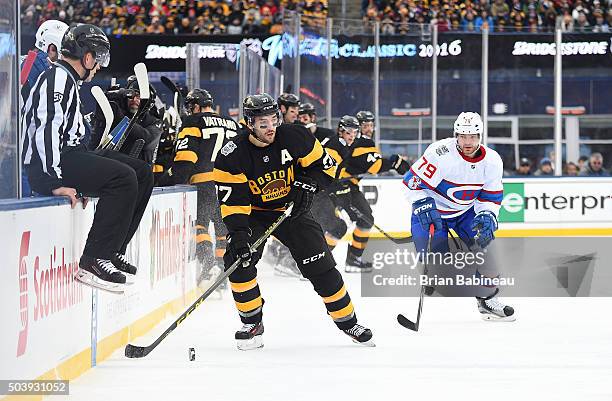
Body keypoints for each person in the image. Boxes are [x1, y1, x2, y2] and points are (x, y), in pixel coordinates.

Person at [213, 93, 373, 350]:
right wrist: (240, 235)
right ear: (249, 123)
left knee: (321, 267)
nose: (270, 128)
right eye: (262, 123)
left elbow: (328, 168)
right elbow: (233, 202)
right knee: (237, 260)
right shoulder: (231, 154)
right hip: (254, 213)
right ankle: (252, 323)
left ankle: (348, 322)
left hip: (291, 211)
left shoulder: (295, 136)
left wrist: (309, 184)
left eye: (273, 120)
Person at [21, 24, 154, 293]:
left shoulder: (67, 79)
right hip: (50, 166)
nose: (98, 68)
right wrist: (51, 182)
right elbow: (47, 131)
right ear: (87, 57)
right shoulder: (57, 78)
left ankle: (113, 250)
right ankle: (94, 258)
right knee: (123, 178)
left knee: (141, 173)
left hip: (67, 157)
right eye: (99, 59)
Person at [402, 112, 515, 321]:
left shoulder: (492, 161)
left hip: (465, 213)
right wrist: (421, 202)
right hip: (432, 213)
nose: (468, 142)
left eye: (472, 136)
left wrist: (488, 215)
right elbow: (411, 183)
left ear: (480, 136)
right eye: (463, 136)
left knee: (488, 254)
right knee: (439, 265)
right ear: (456, 135)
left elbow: (490, 197)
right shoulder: (440, 153)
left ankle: (487, 301)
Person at [157, 89, 237, 287]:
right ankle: (222, 268)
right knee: (222, 228)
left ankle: (208, 263)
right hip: (230, 184)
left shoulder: (193, 122)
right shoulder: (232, 124)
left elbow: (186, 159)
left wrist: (171, 181)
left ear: (195, 106)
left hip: (204, 182)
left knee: (199, 224)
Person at [333, 111, 408, 272]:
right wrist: (393, 163)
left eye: (371, 125)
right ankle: (318, 260)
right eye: (364, 125)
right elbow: (374, 167)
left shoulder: (358, 142)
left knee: (352, 221)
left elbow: (368, 164)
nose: (368, 129)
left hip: (343, 185)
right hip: (342, 186)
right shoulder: (362, 142)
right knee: (340, 224)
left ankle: (346, 259)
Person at [20, 20, 69, 196]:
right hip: (26, 154)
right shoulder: (38, 69)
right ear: (51, 48)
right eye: (63, 50)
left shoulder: (29, 63)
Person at [90, 76, 163, 164]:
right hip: (111, 167)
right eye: (131, 95)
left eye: (139, 97)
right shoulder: (115, 114)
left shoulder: (154, 122)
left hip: (139, 173)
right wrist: (112, 97)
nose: (134, 99)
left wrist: (118, 116)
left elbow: (146, 139)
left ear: (149, 102)